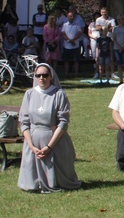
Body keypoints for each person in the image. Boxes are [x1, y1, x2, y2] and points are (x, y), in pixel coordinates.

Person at [17, 63, 81, 192]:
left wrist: (49, 146)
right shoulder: (29, 94)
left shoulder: (59, 94)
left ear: (50, 76)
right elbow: (24, 122)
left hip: (53, 139)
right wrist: (31, 146)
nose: (41, 78)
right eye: (38, 75)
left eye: (45, 75)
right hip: (33, 140)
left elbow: (63, 123)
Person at [61, 11, 83, 78]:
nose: (72, 17)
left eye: (72, 16)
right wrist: (69, 40)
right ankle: (66, 74)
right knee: (66, 61)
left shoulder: (77, 24)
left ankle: (76, 74)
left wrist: (73, 40)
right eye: (70, 16)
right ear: (67, 17)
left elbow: (79, 33)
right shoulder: (65, 25)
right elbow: (63, 34)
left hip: (75, 45)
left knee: (76, 60)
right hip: (67, 45)